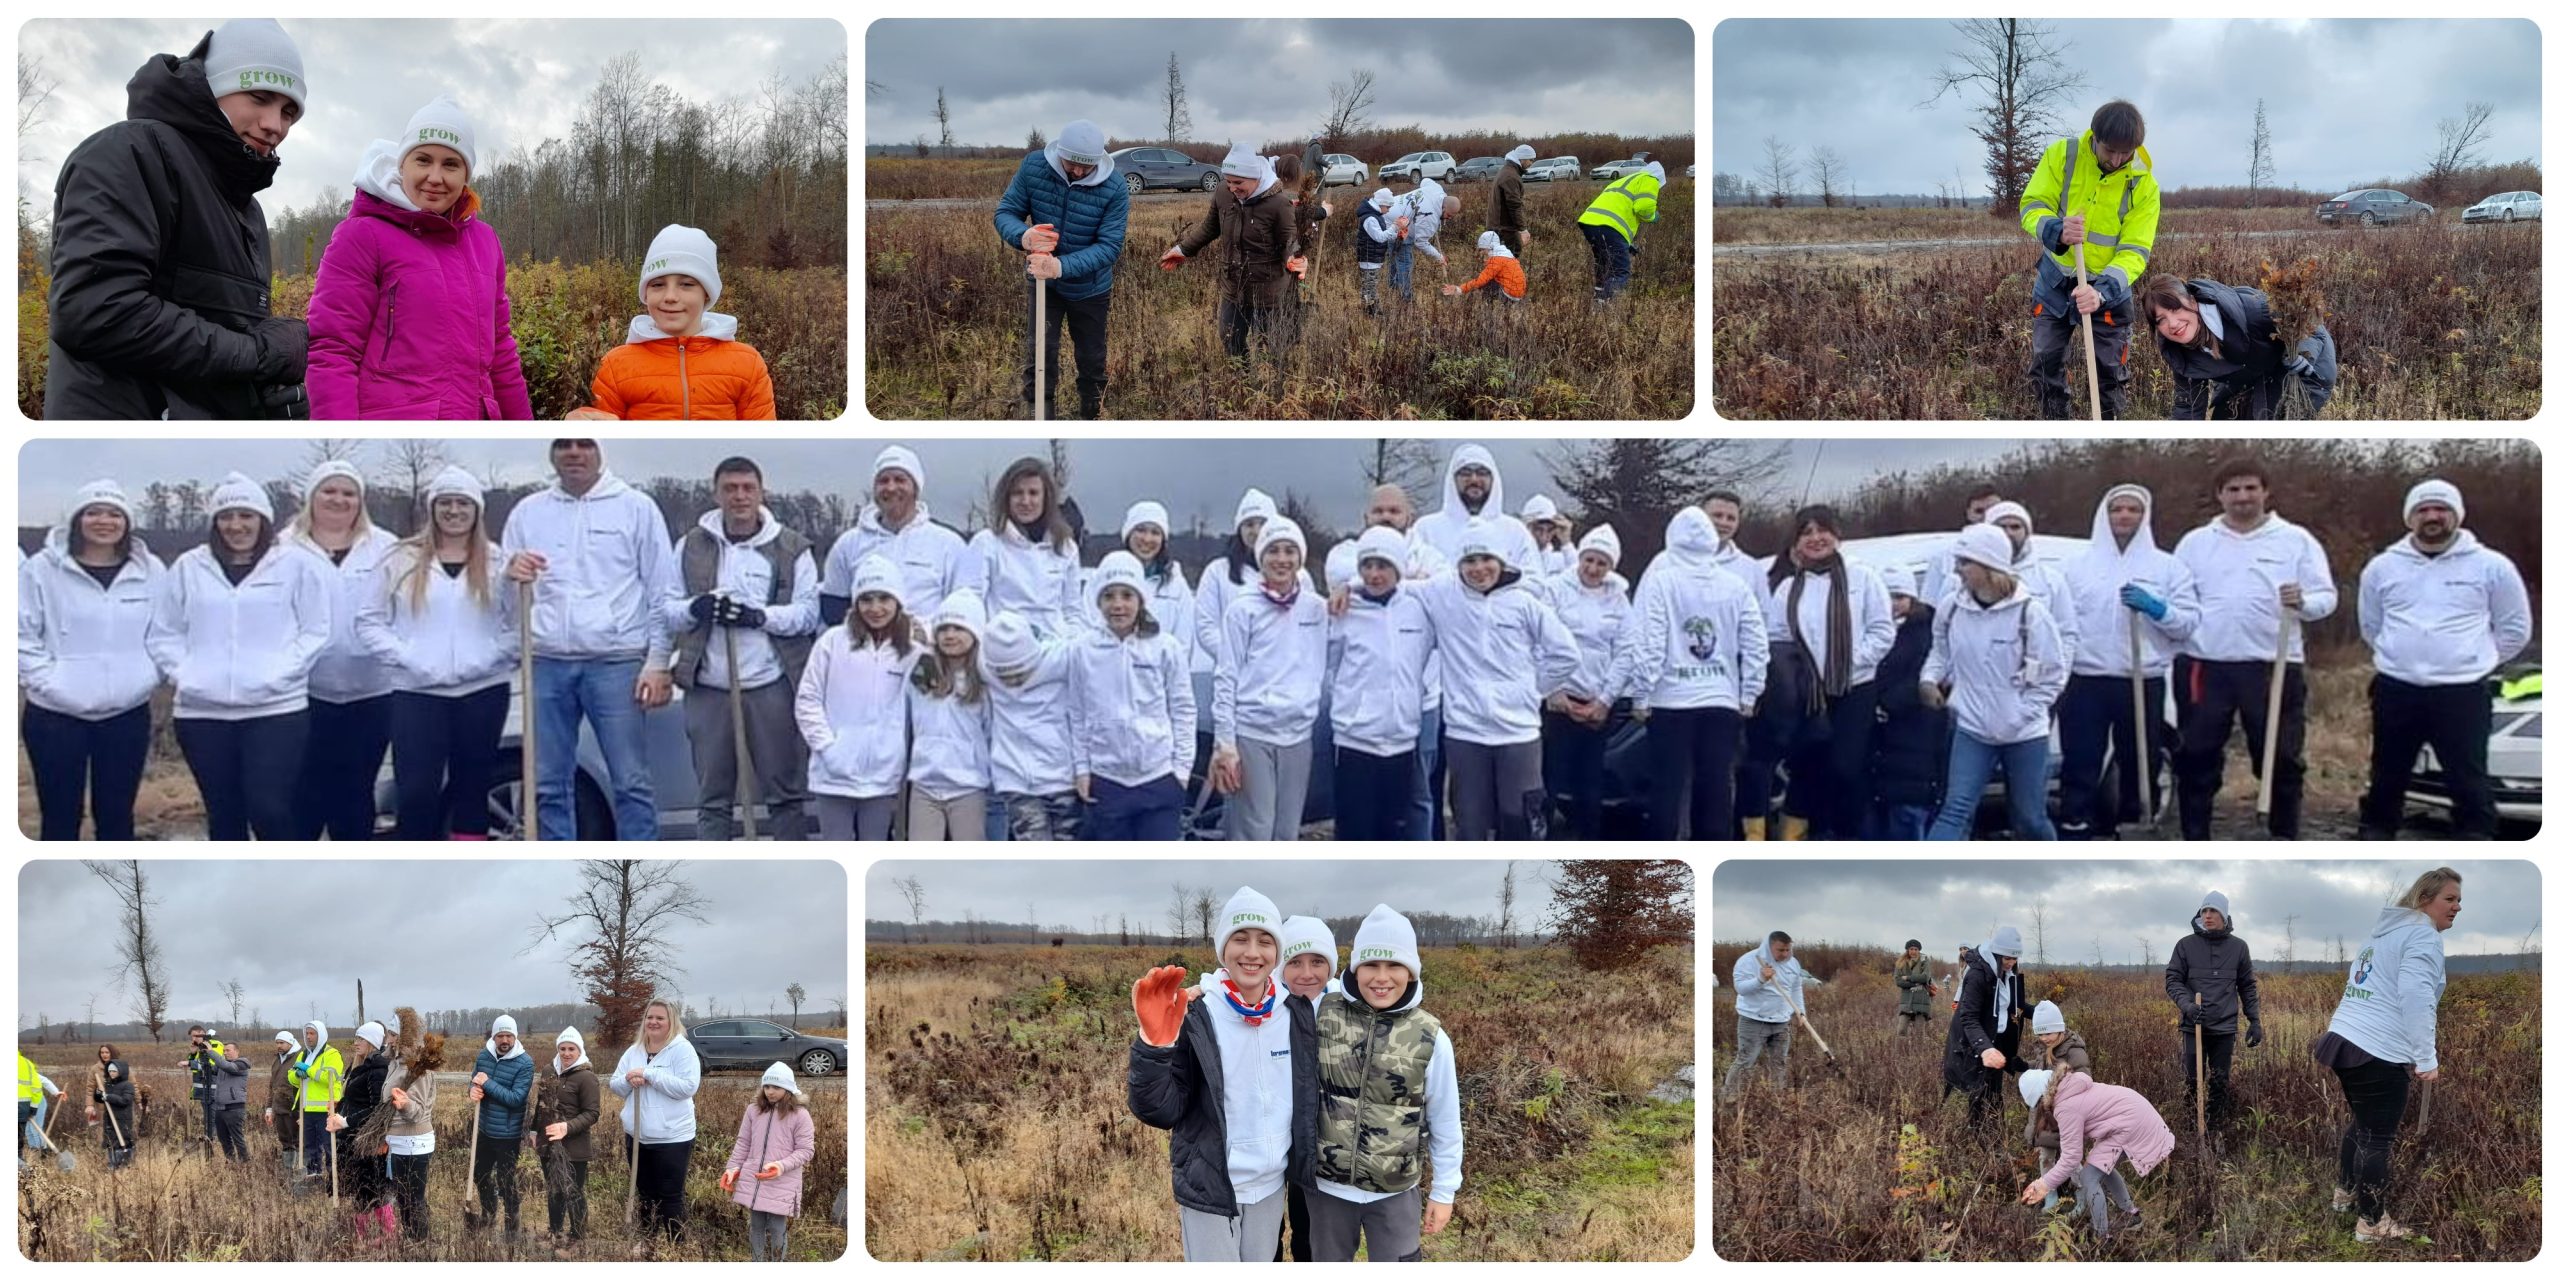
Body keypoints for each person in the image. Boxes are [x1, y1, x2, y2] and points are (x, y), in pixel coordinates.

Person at [45, 19, 311, 419]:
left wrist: (267, 399)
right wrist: (259, 355)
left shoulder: (247, 207)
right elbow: (95, 311)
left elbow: (223, 343)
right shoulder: (129, 153)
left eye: (289, 111)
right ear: (214, 87)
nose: (275, 125)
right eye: (259, 97)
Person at [307, 95, 530, 419]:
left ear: (466, 174)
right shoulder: (362, 236)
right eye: (423, 160)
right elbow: (333, 353)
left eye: (451, 164)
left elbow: (502, 352)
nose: (435, 177)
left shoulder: (486, 243)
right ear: (402, 165)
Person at [500, 438, 680, 840]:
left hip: (615, 661)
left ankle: (638, 866)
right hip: (546, 660)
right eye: (564, 445)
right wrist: (510, 574)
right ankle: (555, 865)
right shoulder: (529, 512)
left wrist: (657, 662)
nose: (574, 453)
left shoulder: (635, 508)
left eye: (585, 445)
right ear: (552, 454)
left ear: (600, 453)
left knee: (630, 779)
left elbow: (661, 591)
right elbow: (505, 594)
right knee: (547, 781)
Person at [1127, 888, 1316, 1261]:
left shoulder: (1294, 1013)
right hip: (1211, 1187)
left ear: (1277, 952)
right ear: (1222, 948)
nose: (1252, 952)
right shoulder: (1197, 1014)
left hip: (1270, 1185)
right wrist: (1154, 1045)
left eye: (1265, 941)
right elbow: (1160, 1110)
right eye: (1240, 938)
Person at [148, 472, 331, 840]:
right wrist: (187, 675)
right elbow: (164, 632)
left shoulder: (294, 564)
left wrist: (281, 673)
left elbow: (316, 630)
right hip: (203, 713)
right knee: (223, 813)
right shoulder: (189, 566)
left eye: (246, 516)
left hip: (275, 709)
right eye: (226, 517)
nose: (236, 525)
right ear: (215, 522)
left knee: (269, 808)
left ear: (262, 519)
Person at [2171, 458, 2337, 840]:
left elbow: (2326, 597)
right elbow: (2177, 599)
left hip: (2273, 665)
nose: (2242, 496)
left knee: (2280, 756)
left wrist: (2303, 602)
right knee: (2196, 754)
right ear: (2219, 495)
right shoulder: (2195, 543)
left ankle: (2282, 836)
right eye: (2233, 489)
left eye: (2250, 488)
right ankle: (2194, 836)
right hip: (2207, 665)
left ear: (2265, 491)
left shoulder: (2295, 540)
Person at [2356, 480, 2533, 839]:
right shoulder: (2382, 567)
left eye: (2441, 509)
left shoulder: (2492, 566)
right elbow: (2371, 626)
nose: (2432, 517)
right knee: (2387, 773)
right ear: (2410, 518)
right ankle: (2375, 836)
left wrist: (2473, 660)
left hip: (2462, 693)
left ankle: (2476, 843)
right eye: (2423, 510)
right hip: (2397, 689)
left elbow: (2515, 628)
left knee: (2468, 778)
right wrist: (2401, 657)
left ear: (2457, 515)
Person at [356, 465, 517, 839]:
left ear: (476, 510)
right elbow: (368, 621)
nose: (454, 511)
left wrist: (490, 657)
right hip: (417, 692)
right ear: (432, 508)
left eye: (463, 503)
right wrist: (407, 656)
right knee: (416, 790)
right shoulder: (400, 559)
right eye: (445, 503)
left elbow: (521, 626)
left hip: (482, 691)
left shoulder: (498, 562)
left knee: (472, 787)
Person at [665, 456, 818, 841]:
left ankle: (791, 871)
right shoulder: (691, 545)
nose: (739, 496)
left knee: (784, 793)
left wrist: (759, 617)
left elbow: (806, 614)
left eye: (747, 488)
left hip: (770, 683)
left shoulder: (791, 547)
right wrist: (695, 608)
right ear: (716, 493)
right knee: (713, 797)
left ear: (761, 492)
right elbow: (666, 610)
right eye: (730, 488)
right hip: (710, 685)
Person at [1309, 904, 1463, 1262]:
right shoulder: (1322, 1013)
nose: (1381, 977)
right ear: (1355, 968)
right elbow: (1267, 992)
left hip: (1395, 1192)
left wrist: (1444, 1191)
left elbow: (1445, 1120)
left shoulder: (1431, 1037)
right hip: (1328, 1190)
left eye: (1394, 965)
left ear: (1411, 972)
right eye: (1371, 965)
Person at [18, 478, 165, 841]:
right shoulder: (41, 569)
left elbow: (167, 632)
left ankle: (117, 891)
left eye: (115, 513)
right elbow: (19, 633)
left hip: (125, 715)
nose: (104, 521)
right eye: (93, 512)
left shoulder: (152, 571)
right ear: (77, 520)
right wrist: (50, 683)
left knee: (117, 817)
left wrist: (145, 678)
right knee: (60, 817)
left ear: (127, 522)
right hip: (54, 717)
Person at [2318, 866, 2458, 1244]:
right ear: (2425, 899)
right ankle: (2372, 1221)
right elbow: (2416, 998)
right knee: (2377, 1137)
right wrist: (2426, 1057)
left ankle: (2345, 1193)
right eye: (2450, 898)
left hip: (2345, 1041)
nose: (2457, 907)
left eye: (2459, 900)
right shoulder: (2421, 937)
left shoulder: (2384, 935)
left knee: (2362, 1124)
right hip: (2376, 1050)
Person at [1414, 522, 1580, 839]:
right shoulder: (1442, 595)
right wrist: (1347, 588)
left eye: (1486, 559)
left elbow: (1567, 654)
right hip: (1466, 734)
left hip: (1518, 733)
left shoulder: (1524, 603)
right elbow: (1393, 584)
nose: (1478, 569)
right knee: (1470, 825)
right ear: (1458, 565)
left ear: (1501, 561)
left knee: (1523, 825)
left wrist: (1534, 690)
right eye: (1469, 561)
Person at [1613, 508, 1770, 841]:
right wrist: (1749, 693)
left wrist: (1641, 693)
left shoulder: (1660, 581)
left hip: (1670, 703)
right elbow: (1757, 642)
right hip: (1721, 701)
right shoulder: (1735, 585)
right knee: (1714, 789)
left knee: (1667, 789)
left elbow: (1649, 641)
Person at [1742, 506, 1896, 840]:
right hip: (1808, 694)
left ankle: (1851, 836)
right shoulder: (1788, 588)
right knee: (1809, 767)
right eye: (1806, 533)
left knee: (1845, 768)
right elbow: (1777, 638)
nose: (1815, 539)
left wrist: (1847, 664)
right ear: (1796, 543)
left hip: (1855, 688)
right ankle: (1811, 835)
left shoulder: (1863, 577)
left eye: (1821, 530)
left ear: (1836, 535)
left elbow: (1882, 631)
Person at [2057, 484, 2197, 839]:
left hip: (2141, 677)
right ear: (2105, 515)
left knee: (2139, 756)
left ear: (2144, 516)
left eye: (2132, 510)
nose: (2124, 516)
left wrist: (2158, 609)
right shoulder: (2075, 567)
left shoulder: (2167, 567)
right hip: (2086, 677)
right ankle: (2077, 822)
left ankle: (2133, 820)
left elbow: (2188, 624)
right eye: (2116, 509)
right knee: (2082, 757)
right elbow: (2058, 620)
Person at [1321, 485, 1451, 841]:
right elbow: (1328, 661)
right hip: (1356, 737)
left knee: (1407, 813)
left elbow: (1446, 585)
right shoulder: (1345, 607)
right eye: (1379, 511)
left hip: (1408, 727)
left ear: (1408, 515)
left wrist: (1407, 583)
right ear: (1366, 516)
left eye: (1395, 511)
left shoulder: (1421, 596)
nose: (1375, 574)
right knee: (1356, 826)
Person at [1922, 525, 2068, 840]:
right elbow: (1940, 652)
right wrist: (1929, 680)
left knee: (2029, 818)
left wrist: (2020, 715)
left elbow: (2053, 676)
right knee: (1955, 809)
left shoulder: (2031, 613)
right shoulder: (1951, 608)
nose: (1958, 570)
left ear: (1988, 566)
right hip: (1973, 729)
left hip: (2024, 733)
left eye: (1965, 563)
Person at [2018, 100, 2159, 420]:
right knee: (2045, 365)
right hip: (2055, 284)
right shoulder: (2062, 156)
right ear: (2095, 137)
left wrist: (2102, 291)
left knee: (2111, 375)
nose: (2117, 160)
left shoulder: (2144, 185)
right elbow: (2031, 207)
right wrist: (2056, 228)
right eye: (2110, 150)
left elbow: (2135, 251)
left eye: (2126, 152)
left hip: (2107, 293)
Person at [287, 460, 403, 840]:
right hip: (305, 692)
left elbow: (406, 607)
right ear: (311, 497)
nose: (339, 499)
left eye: (348, 493)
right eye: (329, 491)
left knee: (355, 791)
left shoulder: (385, 547)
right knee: (305, 791)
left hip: (372, 692)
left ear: (360, 501)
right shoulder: (285, 548)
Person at [994, 120, 1129, 420]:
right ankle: (1042, 420)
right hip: (1044, 286)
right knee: (1040, 355)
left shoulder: (1115, 187)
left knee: (1091, 358)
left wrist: (1060, 266)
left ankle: (1090, 418)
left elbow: (1109, 247)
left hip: (1091, 288)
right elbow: (1006, 212)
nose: (1079, 172)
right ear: (1060, 154)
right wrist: (1023, 236)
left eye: (1087, 167)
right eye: (1073, 164)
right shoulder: (1034, 168)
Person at [568, 225, 776, 419]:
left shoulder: (747, 364)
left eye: (686, 284)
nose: (670, 296)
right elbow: (602, 444)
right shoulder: (615, 366)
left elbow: (765, 445)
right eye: (658, 284)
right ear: (646, 294)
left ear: (706, 293)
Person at [1069, 551, 1196, 841]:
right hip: (1107, 780)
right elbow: (1077, 712)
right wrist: (1082, 769)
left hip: (1158, 779)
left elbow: (1183, 709)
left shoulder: (1165, 647)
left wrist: (1181, 772)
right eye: (1109, 596)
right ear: (1098, 601)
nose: (1118, 605)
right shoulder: (1083, 650)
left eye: (1127, 595)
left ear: (1140, 601)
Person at [1213, 518, 1326, 841]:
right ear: (1261, 558)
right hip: (1253, 734)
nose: (1282, 559)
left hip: (1297, 737)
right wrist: (1226, 744)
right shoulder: (1242, 610)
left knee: (1286, 832)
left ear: (1300, 558)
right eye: (1273, 551)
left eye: (1290, 551)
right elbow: (1226, 676)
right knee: (1255, 829)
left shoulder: (1317, 609)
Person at [796, 555, 918, 840]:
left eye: (884, 599)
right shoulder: (832, 642)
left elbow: (934, 692)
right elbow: (807, 700)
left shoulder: (910, 651)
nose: (875, 609)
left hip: (881, 775)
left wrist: (927, 646)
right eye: (867, 600)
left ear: (898, 602)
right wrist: (828, 748)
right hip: (834, 775)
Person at [1162, 144, 1301, 361]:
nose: (1232, 188)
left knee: (1271, 348)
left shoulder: (1279, 204)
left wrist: (1295, 259)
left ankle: (1272, 386)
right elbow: (1210, 227)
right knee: (1230, 339)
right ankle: (1243, 379)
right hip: (1233, 286)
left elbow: (1289, 242)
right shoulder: (1222, 193)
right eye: (1228, 181)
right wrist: (1183, 250)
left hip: (1268, 292)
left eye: (1238, 182)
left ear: (1255, 178)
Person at [2139, 272, 2338, 419]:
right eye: (2161, 320)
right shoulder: (2177, 351)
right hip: (2253, 373)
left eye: (2175, 309)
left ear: (2192, 301)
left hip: (2304, 372)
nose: (2172, 324)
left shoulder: (2251, 309)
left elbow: (2308, 323)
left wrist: (2303, 353)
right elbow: (2188, 407)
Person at [821, 446, 979, 627]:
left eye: (900, 480)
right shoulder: (848, 544)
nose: (891, 487)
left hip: (927, 650)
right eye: (883, 480)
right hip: (864, 650)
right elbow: (832, 607)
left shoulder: (948, 544)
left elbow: (963, 607)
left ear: (916, 488)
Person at [1536, 524, 1627, 837]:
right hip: (1559, 702)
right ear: (1580, 558)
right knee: (1550, 779)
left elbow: (1625, 651)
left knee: (1590, 785)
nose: (1593, 568)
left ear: (1611, 566)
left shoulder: (1618, 599)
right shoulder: (1554, 589)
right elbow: (1539, 642)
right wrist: (1554, 691)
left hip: (1596, 705)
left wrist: (1605, 700)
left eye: (1602, 563)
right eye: (1589, 560)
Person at [2016, 1066, 2174, 1239]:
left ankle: (2101, 1236)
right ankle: (2130, 1216)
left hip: (2130, 1124)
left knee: (2088, 1177)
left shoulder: (2065, 1106)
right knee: (2100, 1165)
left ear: (2041, 1097)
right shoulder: (2069, 1087)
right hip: (2131, 1117)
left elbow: (2071, 1158)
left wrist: (2044, 1184)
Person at [2165, 890, 2262, 1136]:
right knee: (2192, 1080)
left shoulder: (2239, 948)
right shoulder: (2185, 945)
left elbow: (2247, 985)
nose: (2207, 916)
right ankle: (2190, 1131)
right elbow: (2173, 980)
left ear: (2224, 915)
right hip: (2193, 1026)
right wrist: (2188, 1005)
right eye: (2204, 911)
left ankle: (2213, 1130)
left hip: (2224, 1028)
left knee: (2219, 1082)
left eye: (2214, 911)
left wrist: (2254, 1020)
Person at [610, 999, 705, 1246]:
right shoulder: (634, 1051)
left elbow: (687, 1087)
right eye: (649, 1017)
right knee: (645, 1195)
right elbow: (615, 1084)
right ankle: (648, 1245)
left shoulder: (682, 1050)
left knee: (670, 1196)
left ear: (671, 1022)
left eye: (660, 1018)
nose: (653, 1022)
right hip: (638, 1136)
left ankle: (677, 1248)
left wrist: (650, 1073)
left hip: (672, 1138)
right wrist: (629, 1079)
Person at [1273, 915, 1339, 1262]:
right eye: (1295, 962)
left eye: (1317, 961)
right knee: (1269, 1232)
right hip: (1272, 1138)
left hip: (1318, 1144)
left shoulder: (1348, 1009)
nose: (1306, 973)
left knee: (1308, 1232)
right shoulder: (1266, 1007)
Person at [981, 610, 1080, 840]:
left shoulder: (1061, 659)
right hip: (1016, 782)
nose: (1013, 680)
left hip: (1062, 778)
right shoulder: (984, 666)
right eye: (1003, 674)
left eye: (1020, 671)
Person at [1868, 565, 1946, 840]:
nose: (1893, 604)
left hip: (1915, 729)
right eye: (1886, 596)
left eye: (1899, 596)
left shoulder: (1927, 631)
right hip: (1878, 735)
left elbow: (1925, 674)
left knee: (1909, 813)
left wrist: (1889, 702)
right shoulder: (1868, 628)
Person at [907, 589, 992, 841]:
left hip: (968, 785)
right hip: (925, 785)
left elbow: (990, 730)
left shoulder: (984, 682)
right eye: (943, 629)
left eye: (958, 628)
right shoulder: (922, 672)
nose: (950, 635)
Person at [971, 457, 1083, 641]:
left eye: (1033, 493)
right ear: (1006, 498)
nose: (1025, 501)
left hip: (1054, 654)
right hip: (1003, 650)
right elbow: (971, 602)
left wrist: (1069, 647)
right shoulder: (987, 542)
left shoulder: (1066, 547)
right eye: (1017, 493)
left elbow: (1072, 612)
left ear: (1046, 498)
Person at [357, 1009, 441, 1242]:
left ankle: (420, 1244)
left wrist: (405, 1105)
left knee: (414, 1198)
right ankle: (410, 1239)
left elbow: (419, 1112)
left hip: (414, 1142)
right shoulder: (396, 1062)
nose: (388, 1038)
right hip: (398, 1141)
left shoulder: (418, 1069)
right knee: (403, 1196)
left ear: (404, 1037)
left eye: (392, 1034)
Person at [1409, 445, 1539, 594]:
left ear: (1493, 478)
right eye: (1465, 473)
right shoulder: (1426, 528)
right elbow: (1412, 580)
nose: (1474, 479)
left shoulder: (1515, 530)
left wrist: (1493, 586)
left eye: (1482, 473)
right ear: (1453, 479)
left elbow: (1535, 583)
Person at [722, 1063, 817, 1262]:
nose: (770, 1092)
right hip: (755, 1179)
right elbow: (743, 1142)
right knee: (755, 1225)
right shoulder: (753, 1111)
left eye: (776, 1087)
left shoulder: (800, 1115)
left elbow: (806, 1151)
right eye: (767, 1087)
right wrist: (731, 1169)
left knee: (776, 1226)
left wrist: (781, 1166)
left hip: (781, 1180)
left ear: (788, 1089)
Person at [1979, 501, 2080, 671]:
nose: (2009, 533)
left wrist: (2057, 680)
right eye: (2001, 527)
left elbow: (2066, 633)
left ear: (2027, 532)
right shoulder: (1964, 577)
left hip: (2032, 683)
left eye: (2015, 527)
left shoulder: (2050, 580)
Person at [1944, 924, 2028, 1128]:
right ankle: (1977, 1138)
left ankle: (1995, 1135)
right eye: (2007, 958)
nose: (2011, 963)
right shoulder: (1977, 975)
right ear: (1997, 954)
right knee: (1978, 1094)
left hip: (1996, 1042)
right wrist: (1985, 1048)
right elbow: (1968, 1017)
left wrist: (2045, 1014)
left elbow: (2015, 1005)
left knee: (1994, 1093)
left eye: (2015, 958)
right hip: (1977, 1044)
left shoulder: (2009, 976)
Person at [531, 1026, 602, 1258]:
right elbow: (541, 1104)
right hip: (548, 1143)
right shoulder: (548, 1071)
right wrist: (534, 1131)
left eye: (571, 1048)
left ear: (579, 1050)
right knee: (553, 1189)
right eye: (562, 1048)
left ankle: (577, 1237)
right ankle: (554, 1231)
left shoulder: (587, 1077)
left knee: (573, 1191)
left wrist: (567, 1127)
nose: (566, 1053)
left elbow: (592, 1113)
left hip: (575, 1146)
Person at [465, 1015, 535, 1237]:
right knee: (480, 1175)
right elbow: (474, 1079)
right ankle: (489, 1213)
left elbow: (516, 1098)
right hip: (484, 1129)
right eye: (500, 1035)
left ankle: (512, 1224)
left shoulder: (525, 1063)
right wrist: (472, 1090)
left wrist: (488, 1083)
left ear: (515, 1036)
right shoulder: (484, 1056)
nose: (504, 1040)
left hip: (508, 1134)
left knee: (506, 1181)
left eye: (509, 1035)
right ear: (494, 1036)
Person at [331, 1020, 392, 1239]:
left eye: (361, 1039)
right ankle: (362, 1235)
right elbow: (355, 1099)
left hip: (367, 1138)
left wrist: (346, 1120)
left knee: (372, 1188)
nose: (356, 1043)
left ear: (373, 1042)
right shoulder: (357, 1065)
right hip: (350, 1137)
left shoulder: (378, 1069)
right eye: (356, 1038)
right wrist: (340, 1106)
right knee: (358, 1188)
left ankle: (388, 1234)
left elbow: (377, 1109)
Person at [1723, 930, 1804, 1096]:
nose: (1785, 954)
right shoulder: (1748, 961)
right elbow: (1741, 989)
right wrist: (1761, 979)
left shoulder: (1793, 963)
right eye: (1780, 950)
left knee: (1779, 1062)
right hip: (1753, 1020)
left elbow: (1795, 988)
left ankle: (1777, 1098)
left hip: (1781, 1021)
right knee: (1745, 1061)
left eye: (1787, 950)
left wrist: (1800, 1012)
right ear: (1769, 946)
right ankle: (1728, 1099)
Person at [1577, 161, 1665, 302]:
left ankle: (1598, 296)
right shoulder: (1650, 179)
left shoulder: (1623, 181)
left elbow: (1618, 208)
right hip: (1609, 227)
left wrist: (1626, 244)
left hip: (1589, 223)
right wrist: (1653, 217)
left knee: (1603, 262)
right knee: (1620, 271)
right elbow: (1644, 207)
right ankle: (1605, 304)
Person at [1922, 484, 2007, 606]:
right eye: (1979, 511)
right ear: (1968, 514)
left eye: (1992, 510)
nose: (1985, 517)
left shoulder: (2028, 556)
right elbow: (1929, 606)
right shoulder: (1944, 557)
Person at [288, 1019, 344, 1189]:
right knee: (310, 1147)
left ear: (321, 1035)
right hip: (307, 1109)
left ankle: (334, 1182)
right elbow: (291, 1077)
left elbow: (330, 1077)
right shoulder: (304, 1054)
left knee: (329, 1147)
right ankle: (315, 1178)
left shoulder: (332, 1054)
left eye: (312, 1034)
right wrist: (297, 1075)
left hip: (327, 1109)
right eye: (307, 1033)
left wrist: (308, 1070)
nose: (309, 1037)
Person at [1440, 229, 1527, 304]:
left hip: (1510, 295)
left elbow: (1480, 281)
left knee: (1485, 283)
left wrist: (1459, 289)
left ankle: (1487, 311)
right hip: (1517, 294)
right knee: (1488, 281)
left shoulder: (1497, 259)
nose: (1481, 252)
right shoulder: (1506, 255)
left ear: (1490, 247)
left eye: (1483, 249)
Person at [91, 1045, 138, 1170]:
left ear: (120, 1071)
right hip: (109, 1118)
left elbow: (125, 1100)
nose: (112, 1073)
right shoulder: (108, 1085)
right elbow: (101, 1099)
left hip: (123, 1118)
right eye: (110, 1071)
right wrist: (98, 1094)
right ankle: (112, 1163)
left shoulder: (127, 1086)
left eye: (114, 1071)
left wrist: (108, 1097)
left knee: (123, 1139)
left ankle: (124, 1162)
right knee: (110, 1140)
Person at [1354, 187, 1399, 316]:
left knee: (1370, 285)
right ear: (1381, 204)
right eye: (1388, 207)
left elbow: (1383, 234)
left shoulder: (1376, 216)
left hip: (1373, 258)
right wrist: (1395, 227)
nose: (1388, 210)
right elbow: (1379, 238)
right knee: (1369, 286)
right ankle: (1370, 312)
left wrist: (1397, 234)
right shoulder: (1370, 219)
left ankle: (1370, 310)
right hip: (1369, 258)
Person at [183, 1025, 228, 1149]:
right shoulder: (200, 1047)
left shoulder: (214, 1045)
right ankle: (210, 1142)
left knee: (213, 1119)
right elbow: (196, 1066)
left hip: (212, 1089)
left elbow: (212, 1064)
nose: (193, 1039)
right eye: (192, 1037)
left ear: (201, 1033)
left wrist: (190, 1063)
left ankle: (213, 1144)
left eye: (195, 1036)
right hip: (203, 1090)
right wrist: (192, 1054)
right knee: (208, 1118)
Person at [265, 1030, 301, 1173]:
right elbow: (272, 1085)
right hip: (279, 1108)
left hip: (294, 1108)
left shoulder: (299, 1058)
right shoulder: (277, 1060)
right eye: (277, 1043)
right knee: (285, 1141)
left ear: (290, 1043)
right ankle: (288, 1170)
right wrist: (269, 1108)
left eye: (282, 1043)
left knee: (297, 1141)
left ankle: (299, 1170)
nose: (279, 1046)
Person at [1490, 143, 1534, 257]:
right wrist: (1522, 229)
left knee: (1499, 259)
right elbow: (1514, 205)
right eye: (1530, 160)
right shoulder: (1511, 176)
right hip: (1504, 228)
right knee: (1511, 256)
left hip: (1498, 226)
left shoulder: (1507, 171)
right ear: (1522, 159)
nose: (1531, 163)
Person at [1519, 495, 1574, 582]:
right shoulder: (1514, 559)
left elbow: (1580, 581)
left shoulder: (1561, 560)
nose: (1544, 536)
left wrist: (1566, 542)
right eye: (1538, 529)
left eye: (1550, 530)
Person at [1702, 490, 1752, 577]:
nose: (1723, 523)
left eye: (1731, 518)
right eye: (1717, 515)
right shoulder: (1676, 561)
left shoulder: (1751, 570)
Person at [1894, 941, 1938, 1037]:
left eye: (1916, 949)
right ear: (1907, 950)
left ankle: (1918, 1051)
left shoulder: (1924, 960)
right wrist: (1917, 983)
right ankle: (1901, 1051)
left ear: (1919, 950)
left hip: (1922, 1000)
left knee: (1919, 1032)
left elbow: (1925, 977)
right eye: (1911, 949)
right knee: (1901, 1030)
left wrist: (1908, 978)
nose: (1913, 951)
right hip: (1906, 1001)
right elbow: (1898, 981)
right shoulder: (1900, 962)